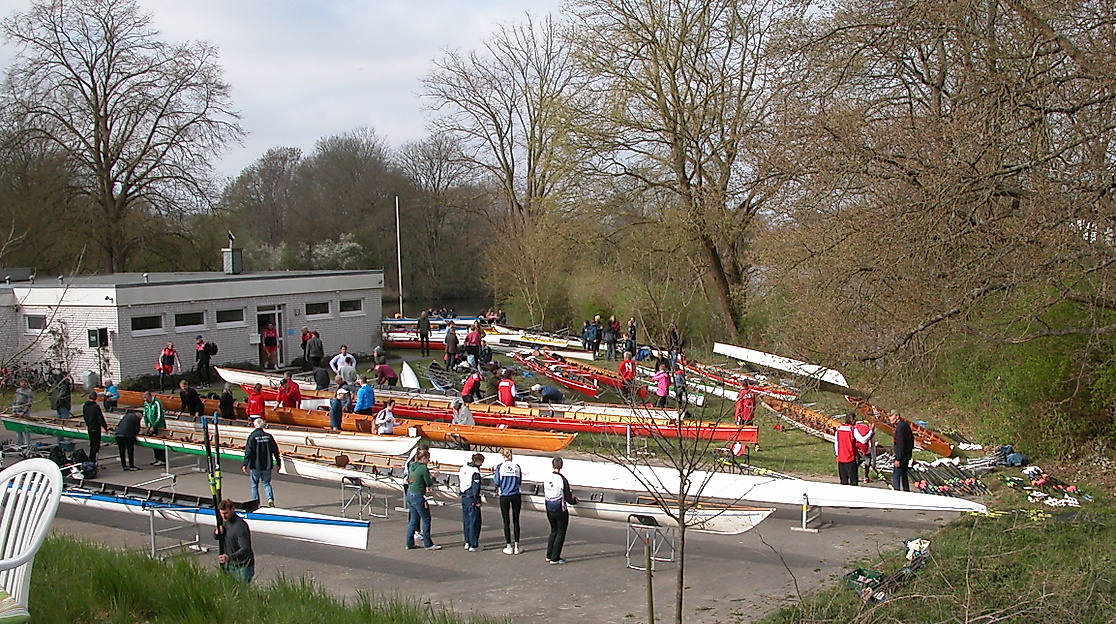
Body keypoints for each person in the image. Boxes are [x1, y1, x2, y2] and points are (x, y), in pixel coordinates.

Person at [405, 449, 441, 550]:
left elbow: (411, 479)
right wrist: (433, 477)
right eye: (428, 459)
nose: (428, 461)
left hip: (410, 493)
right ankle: (428, 544)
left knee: (413, 519)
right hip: (418, 495)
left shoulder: (412, 466)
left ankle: (409, 542)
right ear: (424, 458)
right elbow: (428, 482)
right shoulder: (423, 468)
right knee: (426, 519)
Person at [544, 456, 577, 564]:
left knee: (553, 531)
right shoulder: (562, 480)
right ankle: (555, 557)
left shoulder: (547, 478)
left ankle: (549, 555)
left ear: (552, 465)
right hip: (560, 509)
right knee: (561, 532)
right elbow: (568, 497)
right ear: (561, 466)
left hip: (549, 508)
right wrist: (574, 501)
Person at [242, 418, 281, 506]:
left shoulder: (252, 436)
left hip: (255, 465)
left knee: (254, 485)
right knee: (266, 483)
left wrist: (245, 464)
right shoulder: (269, 436)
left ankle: (256, 502)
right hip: (267, 464)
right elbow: (275, 450)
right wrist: (278, 462)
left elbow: (248, 451)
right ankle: (270, 499)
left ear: (254, 425)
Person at [216, 499, 255, 583]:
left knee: (243, 592)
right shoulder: (225, 522)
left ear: (232, 509)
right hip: (230, 565)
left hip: (243, 566)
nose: (224, 516)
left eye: (226, 513)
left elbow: (245, 548)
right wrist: (216, 533)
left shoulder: (240, 526)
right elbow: (218, 537)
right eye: (221, 513)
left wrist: (229, 557)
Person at [494, 448, 523, 555]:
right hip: (516, 495)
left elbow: (497, 482)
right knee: (516, 521)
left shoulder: (499, 467)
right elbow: (519, 482)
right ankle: (517, 546)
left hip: (504, 496)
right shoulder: (517, 467)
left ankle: (508, 546)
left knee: (506, 521)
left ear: (503, 456)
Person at [458, 452, 485, 551]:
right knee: (474, 521)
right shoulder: (475, 472)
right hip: (471, 497)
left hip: (463, 495)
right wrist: (477, 500)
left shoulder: (463, 468)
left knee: (466, 520)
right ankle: (474, 544)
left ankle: (467, 541)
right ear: (478, 461)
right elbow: (475, 488)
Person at [82, 391, 109, 463]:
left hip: (90, 426)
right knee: (96, 445)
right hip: (96, 427)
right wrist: (105, 427)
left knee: (92, 443)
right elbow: (100, 418)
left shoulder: (85, 406)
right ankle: (93, 461)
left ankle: (92, 459)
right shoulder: (96, 407)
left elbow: (85, 416)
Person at [891, 410, 915, 492]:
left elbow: (900, 444)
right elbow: (911, 441)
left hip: (902, 456)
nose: (890, 418)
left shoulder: (900, 427)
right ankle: (906, 491)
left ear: (897, 416)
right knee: (904, 475)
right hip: (906, 455)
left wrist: (898, 458)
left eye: (891, 416)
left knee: (896, 474)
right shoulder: (904, 425)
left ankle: (897, 492)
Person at [143, 391, 167, 466]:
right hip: (151, 427)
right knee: (153, 443)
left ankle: (163, 459)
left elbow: (159, 416)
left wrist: (154, 426)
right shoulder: (146, 404)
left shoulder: (157, 403)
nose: (145, 400)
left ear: (150, 396)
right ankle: (157, 458)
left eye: (146, 398)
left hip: (159, 427)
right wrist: (147, 426)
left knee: (160, 442)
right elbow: (145, 415)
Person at [835, 414, 858, 486]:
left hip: (841, 457)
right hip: (850, 457)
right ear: (852, 420)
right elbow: (863, 440)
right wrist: (870, 432)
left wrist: (837, 454)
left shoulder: (839, 429)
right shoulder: (853, 429)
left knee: (843, 481)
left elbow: (836, 443)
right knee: (853, 480)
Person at [11, 379, 33, 445]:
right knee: (18, 429)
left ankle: (27, 444)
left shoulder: (29, 391)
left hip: (24, 412)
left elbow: (29, 403)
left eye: (24, 382)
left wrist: (23, 412)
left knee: (26, 429)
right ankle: (20, 443)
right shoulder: (18, 391)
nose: (23, 383)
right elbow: (14, 401)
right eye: (21, 382)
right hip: (17, 411)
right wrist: (13, 410)